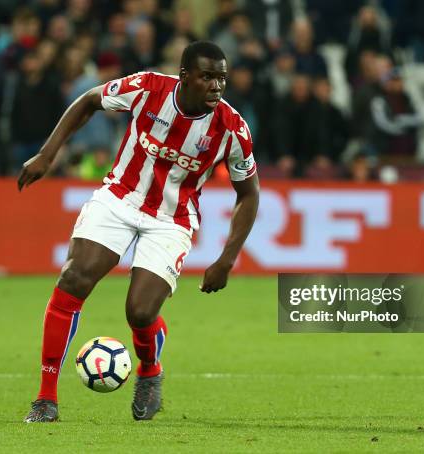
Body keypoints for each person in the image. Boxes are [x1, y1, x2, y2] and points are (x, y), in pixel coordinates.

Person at [18, 41, 259, 423]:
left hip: (171, 218)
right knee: (74, 278)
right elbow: (88, 101)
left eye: (222, 78)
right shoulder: (148, 88)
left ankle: (149, 370)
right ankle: (46, 397)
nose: (217, 86)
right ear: (184, 76)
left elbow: (249, 193)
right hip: (119, 198)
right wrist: (48, 154)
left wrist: (227, 258)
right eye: (207, 77)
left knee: (140, 311)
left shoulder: (232, 128)